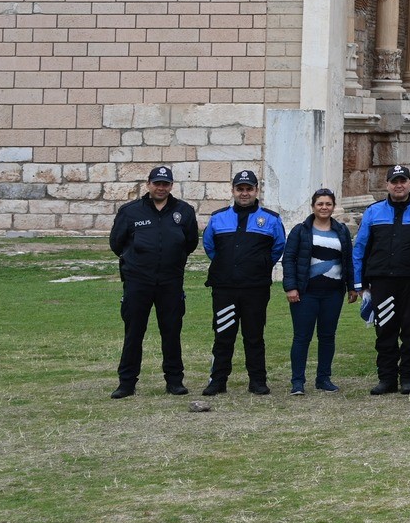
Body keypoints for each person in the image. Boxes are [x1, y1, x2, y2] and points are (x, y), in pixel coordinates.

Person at [195, 168, 286, 396]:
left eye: (249, 189)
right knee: (223, 335)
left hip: (255, 288)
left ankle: (257, 381)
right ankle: (218, 381)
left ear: (257, 190)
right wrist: (227, 266)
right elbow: (210, 247)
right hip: (225, 288)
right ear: (233, 190)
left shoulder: (272, 220)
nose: (244, 193)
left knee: (254, 336)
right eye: (240, 189)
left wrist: (258, 265)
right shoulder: (218, 218)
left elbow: (277, 248)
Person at [109, 165, 199, 398]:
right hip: (138, 282)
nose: (161, 187)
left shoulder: (184, 211)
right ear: (148, 184)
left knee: (171, 332)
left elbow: (189, 243)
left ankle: (174, 381)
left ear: (171, 186)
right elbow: (116, 243)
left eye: (165, 183)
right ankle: (126, 383)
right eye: (157, 183)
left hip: (170, 282)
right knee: (134, 333)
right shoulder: (130, 212)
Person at [353, 164, 410, 395]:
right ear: (387, 185)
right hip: (383, 282)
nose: (399, 185)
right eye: (394, 181)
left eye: (403, 180)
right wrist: (358, 282)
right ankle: (387, 378)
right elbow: (360, 247)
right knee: (385, 330)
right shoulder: (373, 212)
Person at [281, 188, 354, 394]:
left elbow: (347, 260)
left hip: (333, 293)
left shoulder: (341, 230)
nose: (324, 208)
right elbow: (289, 259)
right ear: (313, 206)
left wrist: (351, 286)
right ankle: (297, 381)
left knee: (328, 337)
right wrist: (291, 287)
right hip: (305, 293)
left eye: (328, 204)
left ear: (333, 207)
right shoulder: (300, 230)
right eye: (320, 204)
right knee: (301, 337)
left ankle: (323, 378)